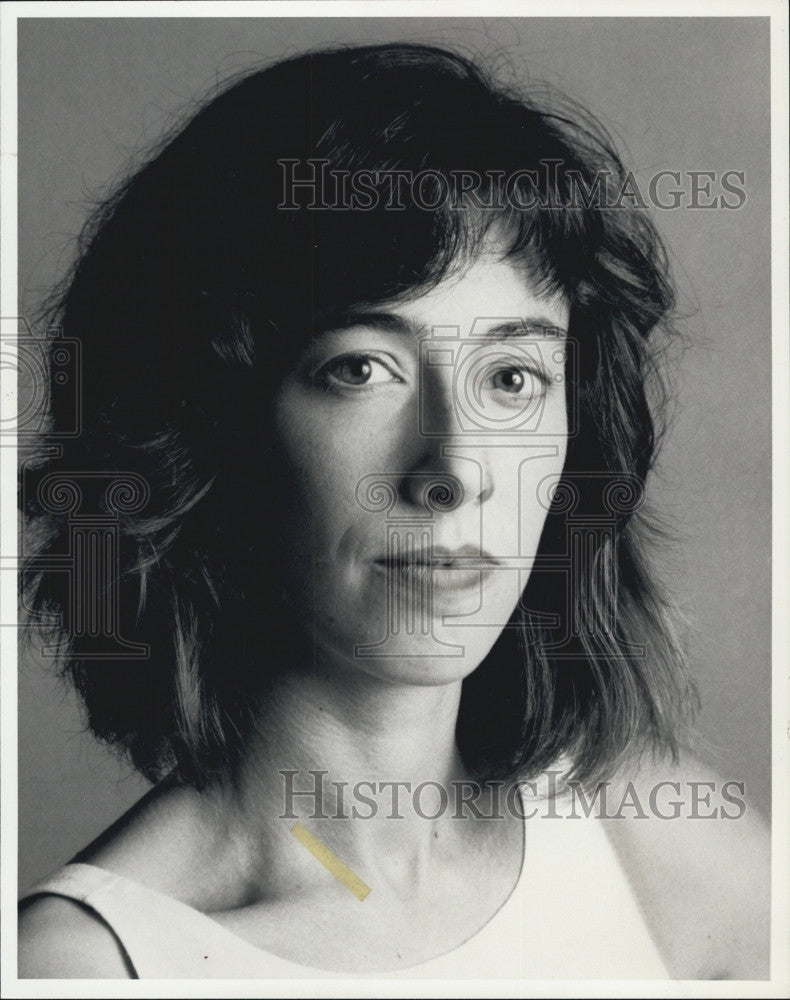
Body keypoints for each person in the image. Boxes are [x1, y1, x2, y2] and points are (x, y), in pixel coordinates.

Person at [17, 42, 768, 980]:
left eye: (512, 375)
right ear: (201, 428)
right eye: (361, 369)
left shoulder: (657, 843)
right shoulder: (86, 966)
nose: (453, 470)